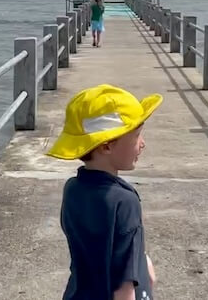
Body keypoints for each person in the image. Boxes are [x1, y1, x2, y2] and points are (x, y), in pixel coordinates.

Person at [47, 84, 161, 300]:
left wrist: (142, 260)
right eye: (137, 135)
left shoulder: (72, 189)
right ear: (106, 146)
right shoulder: (125, 201)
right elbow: (123, 286)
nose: (143, 143)